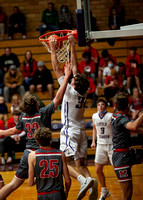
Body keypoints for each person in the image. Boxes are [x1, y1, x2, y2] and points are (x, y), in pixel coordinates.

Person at [0, 63, 72, 199]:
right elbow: (58, 97)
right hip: (42, 151)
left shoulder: (23, 117)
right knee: (56, 176)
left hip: (28, 153)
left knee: (14, 184)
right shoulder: (43, 113)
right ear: (36, 104)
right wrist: (67, 76)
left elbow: (13, 131)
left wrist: (1, 132)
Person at [49, 33, 98, 200]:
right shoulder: (83, 92)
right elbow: (76, 70)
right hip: (82, 132)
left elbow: (56, 69)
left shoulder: (69, 91)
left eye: (72, 80)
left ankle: (83, 180)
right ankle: (92, 184)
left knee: (63, 161)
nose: (71, 80)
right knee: (80, 163)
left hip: (70, 131)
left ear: (74, 84)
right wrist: (72, 44)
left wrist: (53, 50)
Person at [112, 91, 143, 200]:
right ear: (127, 106)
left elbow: (132, 127)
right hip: (121, 156)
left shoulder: (116, 115)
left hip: (126, 153)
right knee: (127, 195)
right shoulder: (121, 118)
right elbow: (134, 127)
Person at [28, 127, 71, 200]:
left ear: (37, 141)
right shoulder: (61, 154)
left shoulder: (32, 156)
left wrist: (39, 178)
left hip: (42, 195)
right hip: (58, 194)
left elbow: (30, 182)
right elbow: (67, 180)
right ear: (51, 138)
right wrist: (66, 191)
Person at [91, 99, 113, 200]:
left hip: (111, 144)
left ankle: (125, 189)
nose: (100, 106)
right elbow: (94, 128)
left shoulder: (110, 116)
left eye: (102, 104)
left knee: (117, 168)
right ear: (97, 107)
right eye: (98, 104)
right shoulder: (94, 116)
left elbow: (114, 129)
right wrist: (93, 141)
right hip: (100, 145)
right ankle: (104, 190)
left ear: (106, 106)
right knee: (98, 170)